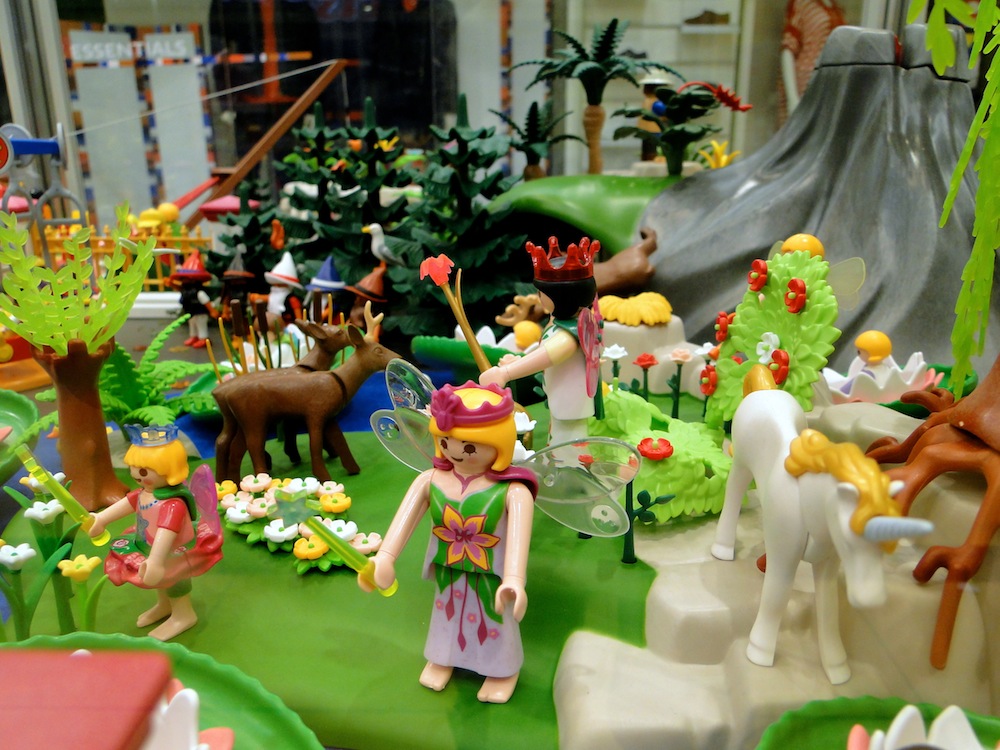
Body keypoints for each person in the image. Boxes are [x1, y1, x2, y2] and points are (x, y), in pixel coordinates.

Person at [360, 383, 537, 703]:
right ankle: (444, 657)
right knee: (448, 613)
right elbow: (403, 522)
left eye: (469, 447)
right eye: (445, 442)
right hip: (449, 567)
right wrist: (385, 558)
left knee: (493, 618)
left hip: (491, 575)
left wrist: (514, 580)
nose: (456, 452)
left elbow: (518, 538)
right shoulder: (429, 480)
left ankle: (501, 669)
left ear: (499, 444)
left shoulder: (514, 491)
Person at [88, 425, 222, 641]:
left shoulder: (173, 504)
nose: (135, 475)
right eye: (133, 468)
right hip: (149, 545)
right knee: (161, 580)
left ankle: (183, 614)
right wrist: (101, 519)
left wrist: (157, 561)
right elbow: (126, 504)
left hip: (172, 550)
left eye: (143, 471)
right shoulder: (145, 493)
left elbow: (166, 531)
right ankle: (165, 605)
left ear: (170, 470)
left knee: (174, 577)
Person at [480, 236, 601, 446]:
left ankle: (569, 464)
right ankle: (558, 460)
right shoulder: (563, 324)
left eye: (541, 293)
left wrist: (505, 373)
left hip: (569, 400)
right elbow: (542, 351)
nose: (538, 297)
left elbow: (547, 355)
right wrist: (519, 361)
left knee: (568, 442)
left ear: (560, 297)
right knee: (558, 435)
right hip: (561, 396)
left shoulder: (568, 336)